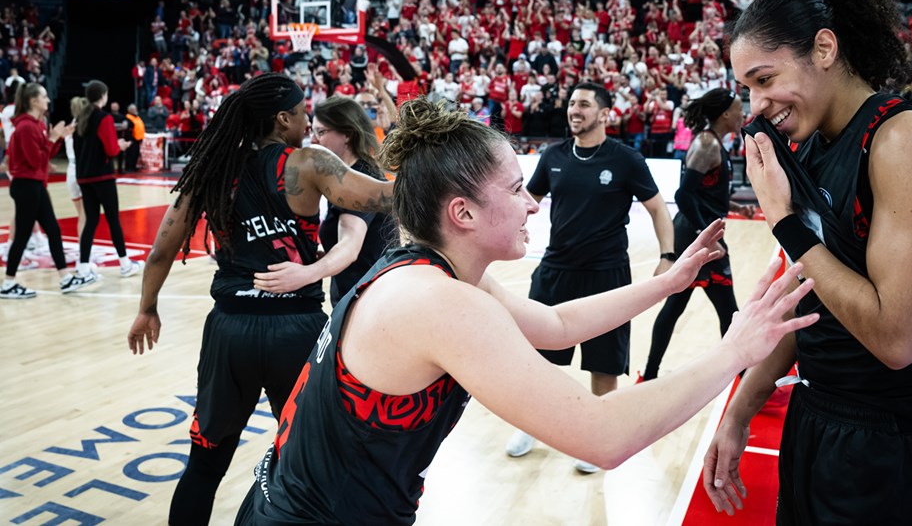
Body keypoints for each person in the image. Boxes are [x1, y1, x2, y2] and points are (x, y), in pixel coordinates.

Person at [233, 97, 818, 525]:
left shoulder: (437, 273)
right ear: (462, 213)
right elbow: (604, 435)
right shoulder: (440, 303)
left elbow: (556, 324)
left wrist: (667, 283)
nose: (532, 205)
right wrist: (736, 350)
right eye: (515, 190)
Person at [704, 0, 912, 525]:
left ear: (824, 49)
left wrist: (783, 221)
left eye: (765, 79)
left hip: (891, 444)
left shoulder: (908, 142)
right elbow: (808, 297)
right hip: (817, 416)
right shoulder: (813, 147)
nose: (754, 107)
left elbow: (897, 340)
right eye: (747, 87)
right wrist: (739, 411)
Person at [126, 72, 394, 526]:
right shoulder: (308, 162)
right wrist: (437, 170)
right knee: (306, 461)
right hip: (295, 327)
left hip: (231, 330)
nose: (308, 119)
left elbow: (160, 250)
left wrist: (147, 307)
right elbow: (380, 197)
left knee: (206, 464)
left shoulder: (212, 167)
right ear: (283, 117)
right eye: (303, 111)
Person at [503, 82, 676, 473]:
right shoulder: (553, 156)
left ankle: (597, 438)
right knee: (537, 359)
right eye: (570, 103)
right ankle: (533, 427)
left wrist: (667, 256)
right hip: (555, 271)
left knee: (604, 363)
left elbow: (658, 210)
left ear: (604, 114)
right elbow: (526, 203)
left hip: (607, 274)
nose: (573, 110)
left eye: (583, 104)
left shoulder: (626, 159)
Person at [641, 89, 756, 381]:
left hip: (699, 232)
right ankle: (746, 381)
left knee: (679, 306)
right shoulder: (707, 144)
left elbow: (705, 191)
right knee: (729, 311)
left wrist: (734, 206)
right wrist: (708, 236)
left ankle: (650, 376)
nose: (742, 114)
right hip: (696, 234)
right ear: (725, 115)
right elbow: (683, 195)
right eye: (737, 110)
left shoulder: (715, 142)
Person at [253, 95, 398, 303]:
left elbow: (350, 247)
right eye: (312, 132)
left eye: (321, 132)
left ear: (347, 134)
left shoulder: (363, 176)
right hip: (360, 295)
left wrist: (306, 274)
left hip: (371, 300)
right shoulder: (339, 178)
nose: (313, 141)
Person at [1, 83, 96, 298]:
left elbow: (44, 155)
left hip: (34, 184)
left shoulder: (36, 124)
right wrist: (53, 137)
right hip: (26, 185)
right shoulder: (26, 127)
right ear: (33, 101)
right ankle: (8, 283)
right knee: (23, 236)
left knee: (52, 230)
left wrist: (59, 137)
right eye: (44, 96)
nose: (48, 100)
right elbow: (36, 161)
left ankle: (65, 278)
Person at [74, 80, 144, 280]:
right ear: (103, 95)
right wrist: (120, 145)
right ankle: (124, 264)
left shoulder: (80, 119)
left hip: (84, 176)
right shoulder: (103, 118)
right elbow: (111, 149)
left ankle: (84, 267)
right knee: (113, 219)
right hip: (102, 176)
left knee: (91, 221)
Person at [65, 96, 87, 240]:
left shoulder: (69, 127)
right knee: (86, 217)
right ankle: (84, 251)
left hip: (70, 170)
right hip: (82, 169)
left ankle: (83, 247)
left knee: (81, 215)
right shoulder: (83, 127)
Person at [123, 103, 145, 172]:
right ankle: (128, 168)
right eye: (133, 109)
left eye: (135, 109)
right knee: (130, 154)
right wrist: (130, 139)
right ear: (129, 110)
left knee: (136, 154)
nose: (135, 110)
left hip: (138, 139)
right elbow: (128, 130)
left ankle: (133, 166)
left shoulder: (136, 117)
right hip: (131, 139)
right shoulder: (128, 118)